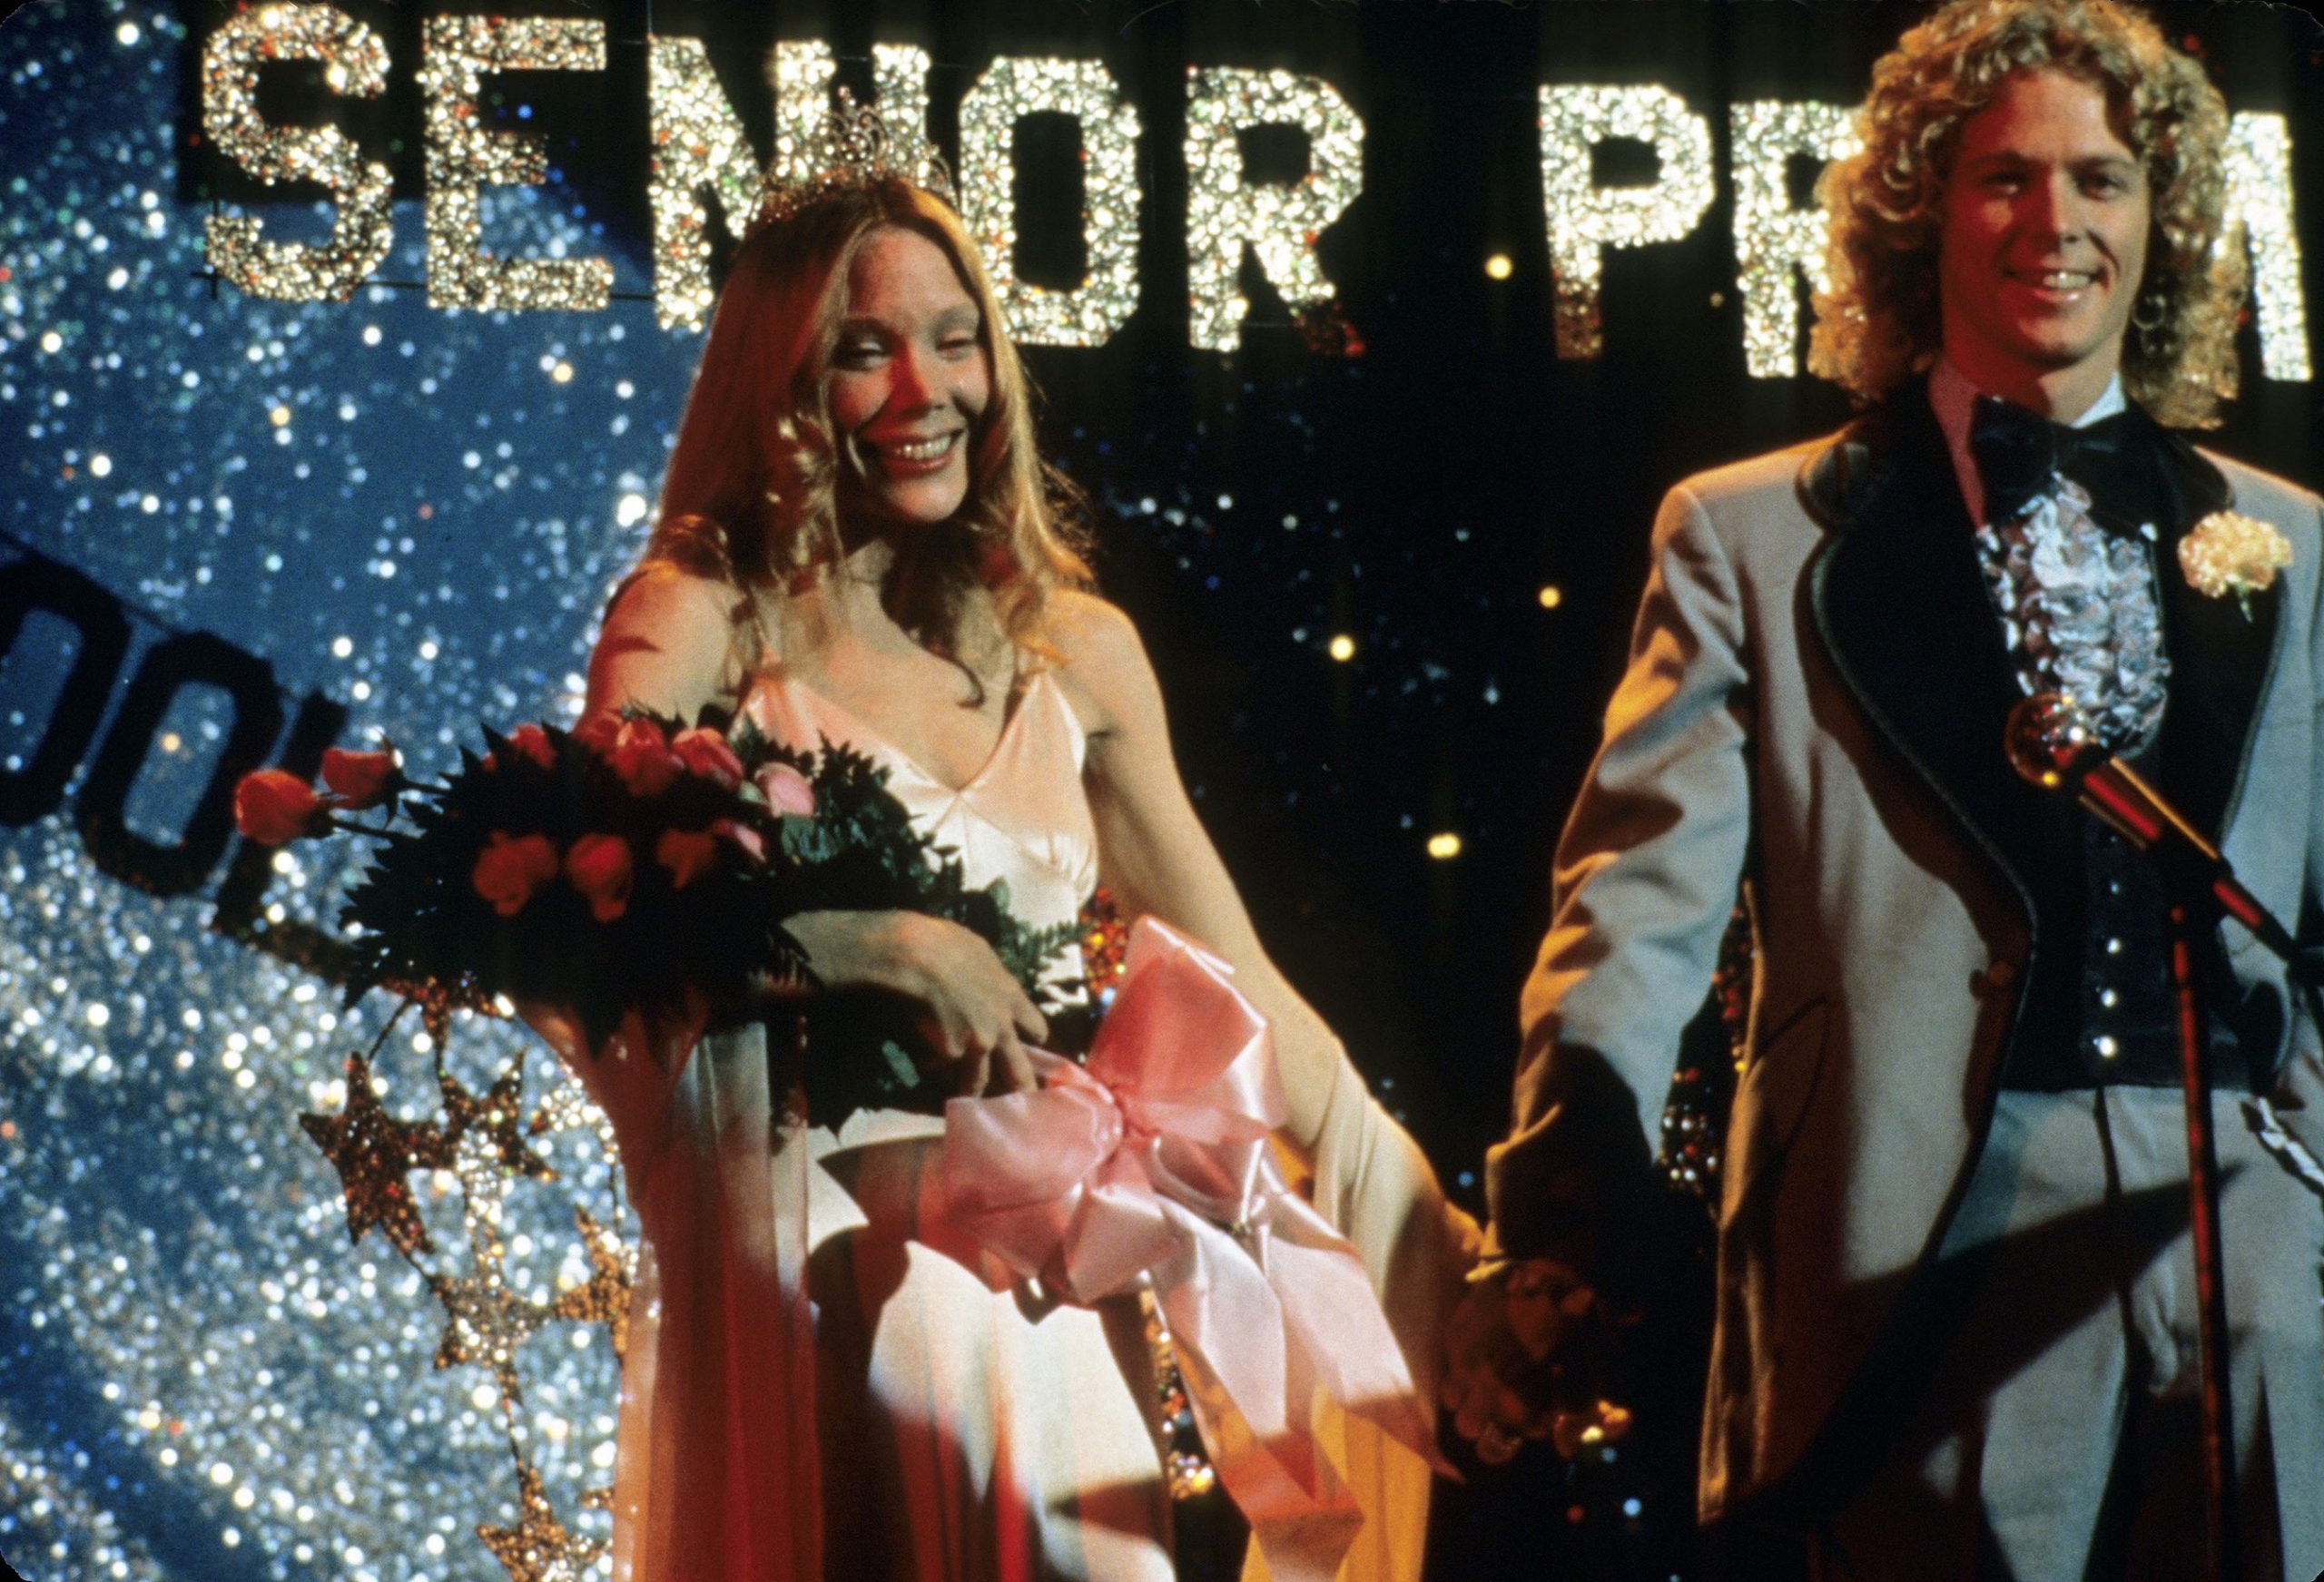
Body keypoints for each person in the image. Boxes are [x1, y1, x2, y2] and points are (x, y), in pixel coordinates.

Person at [1453, 0, 2324, 1575]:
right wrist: (1568, 1199)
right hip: (1927, 1217)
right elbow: (1636, 906)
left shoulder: (2294, 538)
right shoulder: (1751, 535)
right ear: (1922, 212)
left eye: (2101, 179)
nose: (2055, 221)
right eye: (2004, 178)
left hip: (2255, 1224)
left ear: (2166, 214)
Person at [566, 121, 1475, 1582]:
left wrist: (1424, 1222)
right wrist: (884, 946)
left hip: (1051, 1295)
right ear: (783, 383)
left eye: (955, 340)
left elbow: (1238, 983)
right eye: (865, 350)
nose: (925, 393)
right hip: (822, 1279)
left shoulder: (1077, 654)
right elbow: (576, 908)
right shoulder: (701, 620)